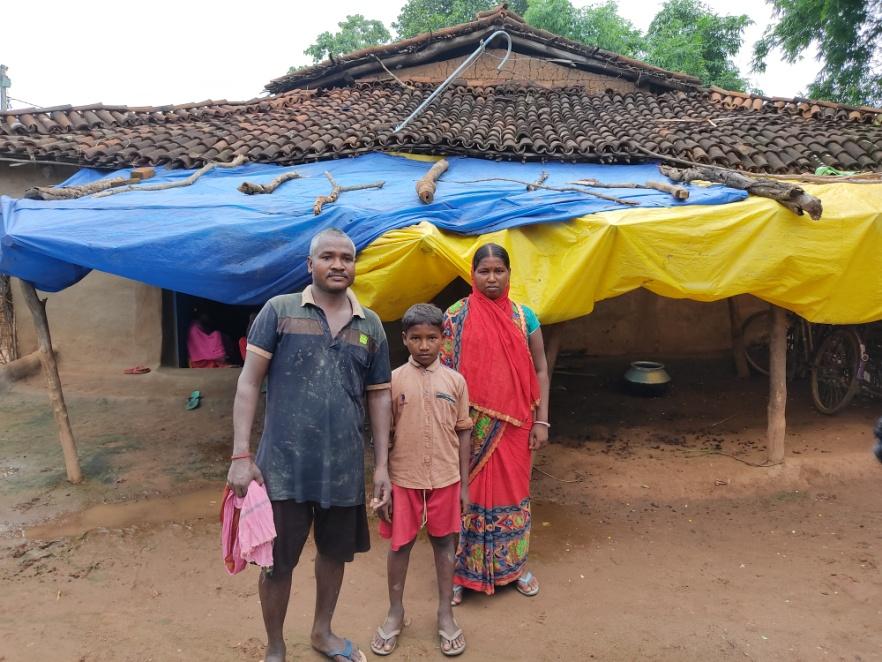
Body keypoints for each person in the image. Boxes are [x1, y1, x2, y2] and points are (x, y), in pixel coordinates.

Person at [227, 228, 392, 662]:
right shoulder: (279, 311)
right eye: (328, 257)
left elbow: (379, 395)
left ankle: (323, 632)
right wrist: (241, 455)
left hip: (343, 467)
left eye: (346, 258)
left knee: (334, 554)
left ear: (354, 266)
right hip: (282, 467)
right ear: (310, 264)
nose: (338, 265)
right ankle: (275, 645)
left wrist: (381, 466)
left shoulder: (370, 325)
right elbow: (248, 382)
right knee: (277, 562)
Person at [441, 242, 551, 604]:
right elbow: (442, 374)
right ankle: (459, 574)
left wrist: (543, 421)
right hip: (468, 429)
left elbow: (540, 369)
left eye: (498, 271)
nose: (492, 278)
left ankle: (515, 567)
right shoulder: (454, 317)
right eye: (484, 271)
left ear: (509, 274)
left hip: (517, 426)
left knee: (514, 496)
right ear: (472, 274)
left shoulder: (524, 317)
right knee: (464, 499)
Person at [371, 303, 472, 657]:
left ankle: (445, 614)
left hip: (446, 478)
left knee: (445, 545)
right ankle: (395, 613)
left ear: (443, 339)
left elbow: (464, 432)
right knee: (400, 547)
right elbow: (383, 434)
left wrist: (465, 485)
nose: (424, 345)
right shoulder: (393, 380)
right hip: (404, 478)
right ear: (404, 339)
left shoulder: (456, 382)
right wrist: (382, 478)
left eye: (432, 337)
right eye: (416, 338)